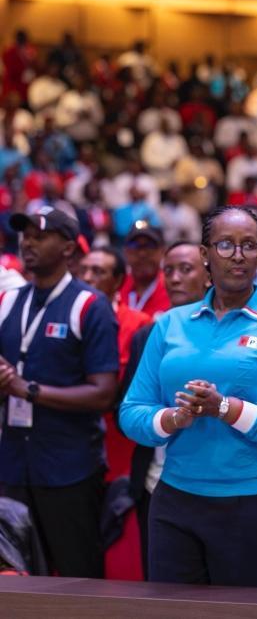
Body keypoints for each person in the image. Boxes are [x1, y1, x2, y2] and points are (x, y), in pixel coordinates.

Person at [119, 205, 257, 588]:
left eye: (249, 245)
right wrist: (174, 418)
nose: (237, 255)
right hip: (176, 500)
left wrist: (227, 409)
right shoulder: (169, 325)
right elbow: (132, 413)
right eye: (226, 245)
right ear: (205, 254)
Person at [0, 207, 119, 578]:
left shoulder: (90, 305)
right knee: (15, 577)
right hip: (12, 464)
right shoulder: (8, 301)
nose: (28, 243)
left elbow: (103, 394)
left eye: (40, 236)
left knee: (77, 579)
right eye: (25, 235)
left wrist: (28, 390)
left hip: (69, 468)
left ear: (68, 248)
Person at [121, 240, 212, 579]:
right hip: (154, 479)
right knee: (163, 586)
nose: (174, 278)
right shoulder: (147, 335)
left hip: (219, 479)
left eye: (185, 269)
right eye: (168, 271)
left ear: (209, 276)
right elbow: (126, 408)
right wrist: (168, 418)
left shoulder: (234, 334)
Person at [80, 246, 152, 378]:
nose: (86, 277)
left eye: (98, 271)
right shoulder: (64, 314)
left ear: (118, 281)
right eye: (82, 270)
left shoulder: (138, 323)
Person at [119, 223, 171, 317]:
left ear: (163, 251)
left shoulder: (173, 287)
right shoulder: (116, 287)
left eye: (150, 246)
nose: (142, 254)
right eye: (134, 246)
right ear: (125, 252)